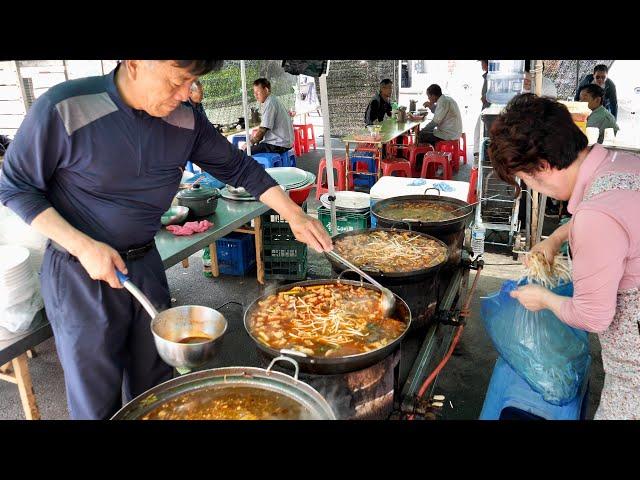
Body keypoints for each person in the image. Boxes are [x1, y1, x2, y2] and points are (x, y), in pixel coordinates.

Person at [0, 60, 332, 420]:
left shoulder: (185, 117)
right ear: (135, 63)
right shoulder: (64, 107)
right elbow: (15, 187)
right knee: (96, 401)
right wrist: (82, 245)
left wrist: (295, 214)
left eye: (191, 82)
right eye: (177, 81)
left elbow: (239, 167)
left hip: (144, 265)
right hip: (80, 274)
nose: (185, 94)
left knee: (157, 389)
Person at [488, 93, 640, 420]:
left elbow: (594, 316)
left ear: (543, 166)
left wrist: (542, 298)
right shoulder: (620, 162)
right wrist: (556, 238)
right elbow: (616, 224)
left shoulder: (594, 217)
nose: (532, 187)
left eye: (527, 179)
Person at [244, 78, 294, 155]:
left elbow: (262, 130)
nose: (256, 96)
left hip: (278, 144)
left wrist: (250, 143)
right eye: (254, 93)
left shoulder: (270, 103)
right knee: (254, 147)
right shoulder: (273, 99)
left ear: (266, 90)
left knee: (245, 152)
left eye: (258, 92)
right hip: (285, 142)